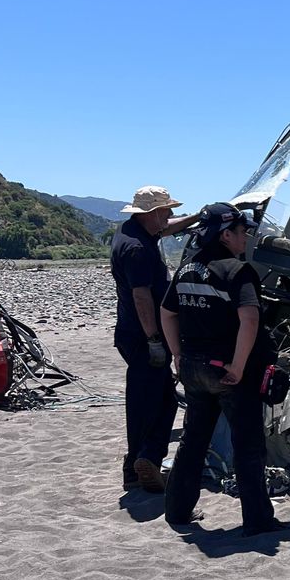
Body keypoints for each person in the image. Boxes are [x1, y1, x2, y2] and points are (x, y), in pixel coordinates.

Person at [160, 203, 290, 535]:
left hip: (193, 367)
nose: (245, 237)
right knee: (248, 444)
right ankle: (258, 520)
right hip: (228, 371)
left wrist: (177, 354)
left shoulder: (187, 268)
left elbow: (167, 312)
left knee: (193, 440)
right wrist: (239, 364)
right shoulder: (236, 270)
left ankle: (177, 510)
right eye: (242, 232)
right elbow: (250, 318)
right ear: (225, 233)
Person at [110, 184, 198, 492]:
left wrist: (197, 217)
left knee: (153, 399)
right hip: (141, 335)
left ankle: (138, 463)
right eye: (167, 209)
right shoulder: (137, 250)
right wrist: (154, 340)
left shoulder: (133, 231)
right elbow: (141, 297)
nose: (171, 214)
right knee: (153, 401)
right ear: (152, 213)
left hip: (133, 334)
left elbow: (167, 229)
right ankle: (143, 460)